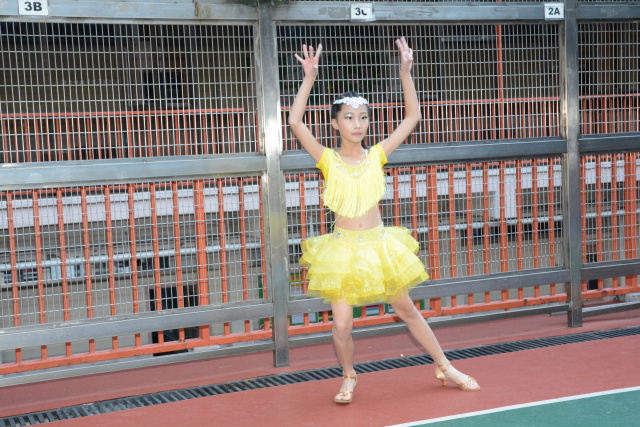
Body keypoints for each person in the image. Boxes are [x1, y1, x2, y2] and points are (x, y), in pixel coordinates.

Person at [288, 38, 480, 405]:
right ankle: (349, 376)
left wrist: (406, 72)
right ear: (335, 123)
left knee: (406, 309)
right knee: (342, 323)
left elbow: (412, 118)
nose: (357, 124)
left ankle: (444, 366)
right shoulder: (327, 159)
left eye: (363, 117)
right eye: (348, 117)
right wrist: (309, 78)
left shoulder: (377, 154)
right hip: (342, 251)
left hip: (379, 246)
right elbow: (295, 121)